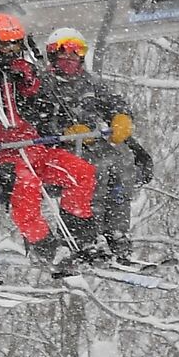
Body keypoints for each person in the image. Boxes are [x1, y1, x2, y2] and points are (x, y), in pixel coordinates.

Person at [0, 13, 98, 258]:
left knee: (82, 172)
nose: (11, 49)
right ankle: (44, 246)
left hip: (32, 145)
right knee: (27, 186)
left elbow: (45, 112)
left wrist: (30, 86)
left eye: (16, 43)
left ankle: (81, 237)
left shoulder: (24, 71)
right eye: (5, 43)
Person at [37, 28, 154, 261]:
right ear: (52, 55)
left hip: (91, 141)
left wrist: (120, 116)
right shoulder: (44, 84)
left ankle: (117, 231)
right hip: (62, 147)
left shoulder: (89, 82)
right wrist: (62, 131)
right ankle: (89, 234)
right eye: (64, 52)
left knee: (121, 163)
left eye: (76, 52)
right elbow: (36, 117)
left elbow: (112, 102)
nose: (70, 58)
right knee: (95, 170)